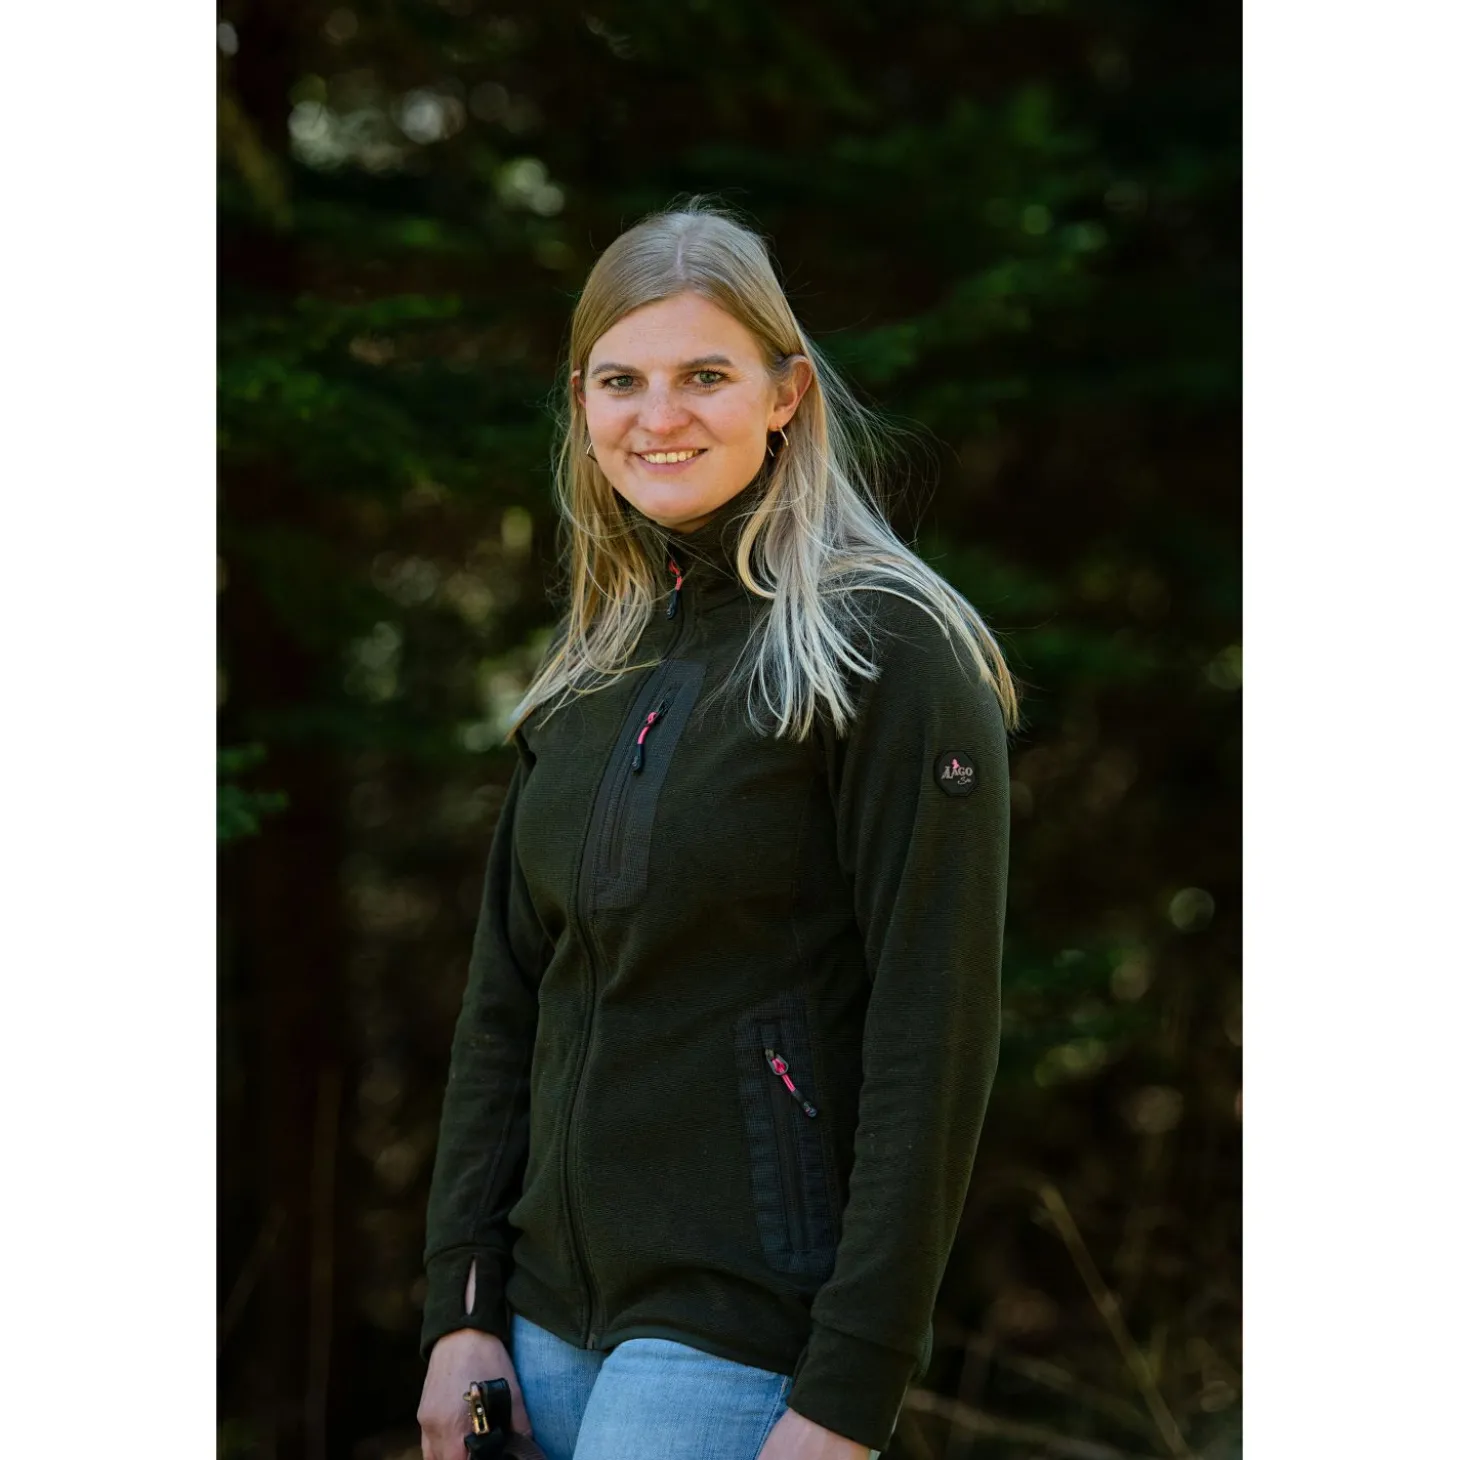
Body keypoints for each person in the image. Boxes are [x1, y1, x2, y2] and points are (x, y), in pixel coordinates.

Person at [416, 198, 1018, 1460]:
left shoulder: (885, 647)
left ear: (784, 393)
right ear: (580, 402)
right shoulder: (591, 664)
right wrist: (460, 1308)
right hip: (537, 1331)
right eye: (620, 380)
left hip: (740, 1339)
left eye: (704, 375)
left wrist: (846, 1393)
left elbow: (933, 1037)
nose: (659, 416)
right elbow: (505, 1007)